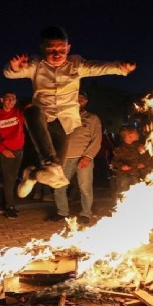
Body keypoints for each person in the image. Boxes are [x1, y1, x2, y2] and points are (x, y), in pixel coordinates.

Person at [4, 25, 136, 197]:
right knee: (31, 111)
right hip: (42, 118)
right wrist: (14, 68)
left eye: (61, 50)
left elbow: (97, 68)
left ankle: (32, 175)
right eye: (51, 50)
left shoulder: (76, 63)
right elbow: (10, 73)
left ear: (68, 48)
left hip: (64, 124)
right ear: (43, 48)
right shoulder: (36, 64)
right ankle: (47, 163)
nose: (57, 54)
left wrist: (121, 68)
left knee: (58, 177)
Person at [50, 91, 101, 225]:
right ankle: (62, 212)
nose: (79, 101)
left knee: (85, 187)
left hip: (83, 158)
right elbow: (56, 136)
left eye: (82, 99)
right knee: (59, 186)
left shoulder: (92, 118)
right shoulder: (63, 117)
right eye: (76, 99)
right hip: (65, 158)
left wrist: (88, 157)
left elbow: (97, 139)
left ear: (85, 102)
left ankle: (85, 213)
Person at [0, 91, 26, 219]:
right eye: (8, 99)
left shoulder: (19, 113)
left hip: (19, 150)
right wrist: (2, 150)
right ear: (2, 100)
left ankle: (1, 206)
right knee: (8, 180)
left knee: (11, 180)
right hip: (6, 152)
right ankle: (10, 207)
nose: (11, 101)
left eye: (13, 99)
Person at [111, 125, 146, 196]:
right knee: (123, 194)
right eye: (135, 133)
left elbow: (145, 157)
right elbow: (114, 162)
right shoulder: (120, 149)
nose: (137, 134)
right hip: (124, 176)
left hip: (136, 175)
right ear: (129, 136)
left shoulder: (138, 146)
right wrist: (122, 166)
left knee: (136, 194)